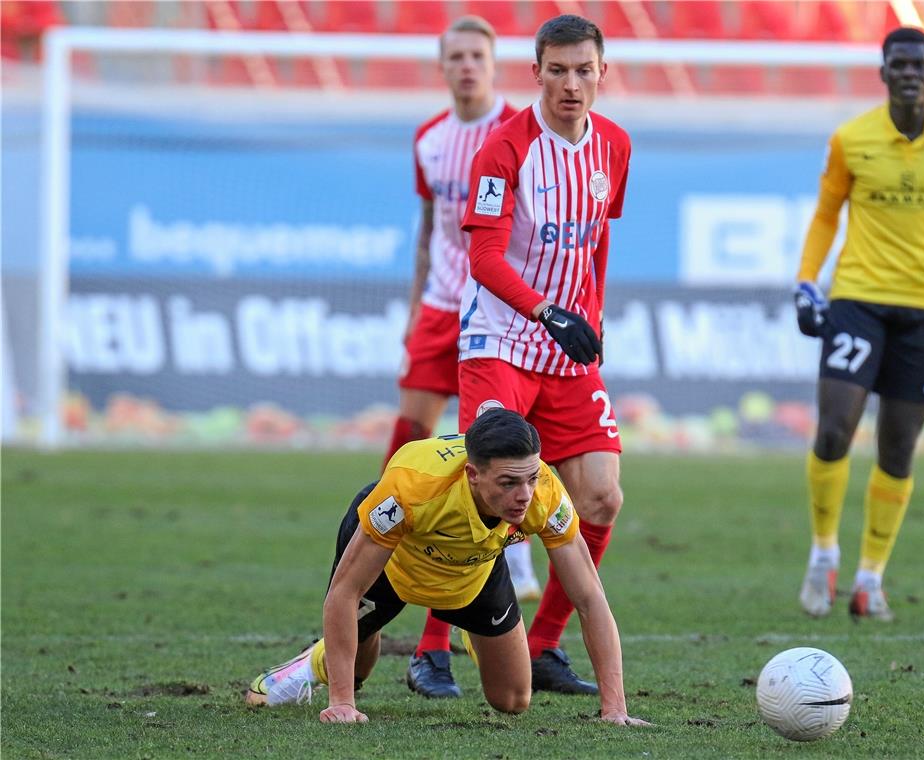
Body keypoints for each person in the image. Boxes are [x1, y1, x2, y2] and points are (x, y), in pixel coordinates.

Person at [243, 409, 649, 727]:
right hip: (396, 564)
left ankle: (469, 630)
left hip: (472, 573)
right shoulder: (411, 488)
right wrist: (343, 704)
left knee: (513, 701)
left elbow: (590, 598)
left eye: (529, 478)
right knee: (356, 670)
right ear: (473, 475)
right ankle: (313, 662)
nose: (524, 495)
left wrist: (614, 708)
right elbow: (344, 593)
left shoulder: (543, 492)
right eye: (508, 483)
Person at [454, 14, 631, 694]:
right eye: (557, 70)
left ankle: (545, 645)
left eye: (583, 70)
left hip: (567, 346)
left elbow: (597, 241)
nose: (571, 84)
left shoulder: (614, 146)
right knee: (490, 494)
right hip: (501, 339)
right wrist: (547, 311)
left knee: (602, 497)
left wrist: (594, 311)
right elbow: (484, 255)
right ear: (536, 73)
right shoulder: (504, 150)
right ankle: (432, 646)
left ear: (601, 74)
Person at [793, 26, 924, 621]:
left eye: (918, 63)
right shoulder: (852, 139)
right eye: (898, 63)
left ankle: (870, 576)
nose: (908, 72)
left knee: (898, 446)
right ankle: (824, 553)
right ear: (882, 72)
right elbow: (827, 215)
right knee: (834, 430)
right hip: (856, 300)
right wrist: (807, 283)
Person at [385, 16, 542, 700]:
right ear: (442, 65)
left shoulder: (520, 135)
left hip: (500, 313)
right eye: (457, 56)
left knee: (492, 453)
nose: (468, 66)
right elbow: (430, 229)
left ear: (495, 63)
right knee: (410, 437)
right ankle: (385, 523)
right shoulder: (428, 140)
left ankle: (476, 606)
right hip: (443, 305)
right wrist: (417, 304)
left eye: (478, 55)